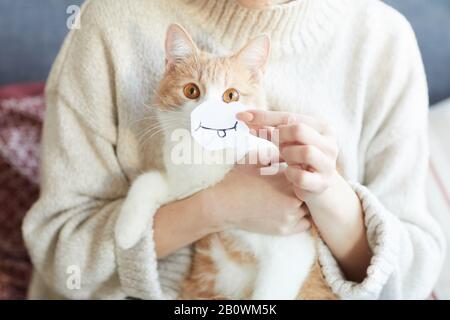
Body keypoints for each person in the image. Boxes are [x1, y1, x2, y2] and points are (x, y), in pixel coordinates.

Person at [23, 0, 445, 299]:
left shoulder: (384, 41)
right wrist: (215, 207)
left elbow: (408, 282)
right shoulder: (110, 20)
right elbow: (63, 260)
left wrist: (330, 199)